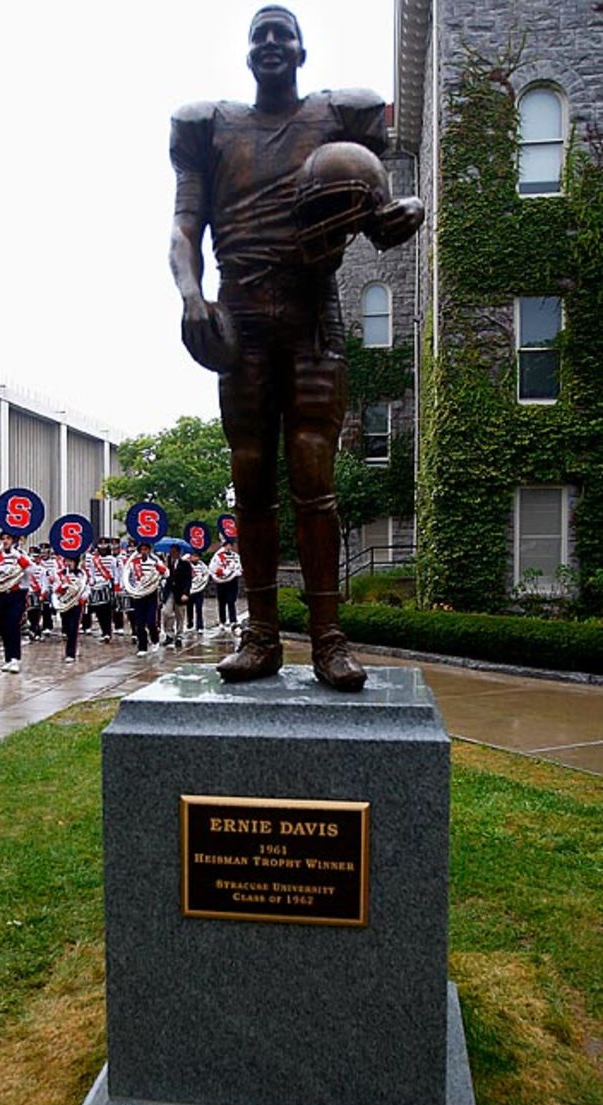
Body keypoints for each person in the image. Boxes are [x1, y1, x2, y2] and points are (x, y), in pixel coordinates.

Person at [169, 5, 423, 690]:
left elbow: (380, 218)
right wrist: (192, 295)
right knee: (249, 477)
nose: (273, 43)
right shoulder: (208, 127)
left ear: (301, 50)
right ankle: (258, 635)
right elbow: (184, 227)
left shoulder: (336, 118)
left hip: (314, 313)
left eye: (283, 33)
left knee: (314, 475)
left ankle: (327, 640)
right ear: (249, 54)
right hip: (242, 316)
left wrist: (402, 211)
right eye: (261, 35)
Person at [0, 532, 32, 673]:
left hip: (17, 594)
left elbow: (32, 570)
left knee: (13, 625)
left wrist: (18, 557)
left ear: (14, 540)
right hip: (0, 594)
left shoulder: (21, 555)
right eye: (3, 539)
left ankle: (15, 658)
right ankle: (8, 658)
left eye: (8, 538)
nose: (5, 541)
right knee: (4, 627)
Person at [125, 541, 166, 656]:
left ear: (149, 550)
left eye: (146, 549)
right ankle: (142, 647)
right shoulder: (133, 563)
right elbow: (128, 577)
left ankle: (155, 640)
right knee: (139, 622)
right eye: (142, 549)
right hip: (138, 594)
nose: (144, 552)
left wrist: (161, 570)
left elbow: (166, 574)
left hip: (151, 594)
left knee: (151, 621)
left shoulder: (155, 561)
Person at [48, 555, 90, 663]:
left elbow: (86, 588)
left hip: (76, 604)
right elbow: (54, 589)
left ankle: (70, 653)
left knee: (73, 628)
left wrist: (83, 597)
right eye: (66, 561)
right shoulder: (60, 574)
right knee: (66, 627)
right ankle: (71, 648)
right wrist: (62, 588)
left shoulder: (82, 574)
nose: (68, 563)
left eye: (70, 561)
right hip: (64, 603)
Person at [162, 544, 193, 647]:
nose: (172, 553)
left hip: (180, 592)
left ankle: (179, 634)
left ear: (179, 552)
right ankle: (169, 634)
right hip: (170, 591)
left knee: (180, 614)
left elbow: (188, 580)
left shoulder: (185, 564)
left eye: (174, 551)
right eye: (171, 551)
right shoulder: (167, 564)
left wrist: (186, 593)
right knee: (167, 612)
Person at [209, 541, 242, 631]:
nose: (228, 547)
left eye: (230, 545)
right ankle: (222, 621)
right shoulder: (217, 556)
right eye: (226, 545)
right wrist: (219, 573)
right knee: (222, 602)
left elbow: (238, 567)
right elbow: (213, 567)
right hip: (221, 582)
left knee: (231, 601)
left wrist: (234, 572)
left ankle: (233, 621)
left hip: (232, 581)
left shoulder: (235, 556)